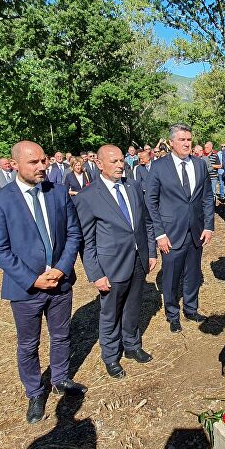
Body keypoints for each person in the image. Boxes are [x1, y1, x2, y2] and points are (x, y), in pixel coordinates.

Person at [0, 140, 86, 424]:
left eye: (44, 160)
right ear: (14, 164)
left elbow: (73, 234)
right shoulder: (0, 200)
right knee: (29, 344)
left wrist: (62, 269)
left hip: (60, 283)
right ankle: (34, 392)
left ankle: (60, 378)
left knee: (61, 335)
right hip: (25, 288)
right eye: (34, 162)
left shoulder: (58, 193)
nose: (42, 166)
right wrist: (33, 279)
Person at [75, 145, 157, 379]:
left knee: (133, 307)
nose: (120, 165)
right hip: (111, 266)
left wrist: (151, 252)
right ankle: (111, 356)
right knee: (111, 313)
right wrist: (96, 274)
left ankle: (132, 345)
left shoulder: (133, 186)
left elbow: (146, 222)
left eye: (122, 160)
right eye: (114, 161)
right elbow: (86, 241)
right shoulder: (88, 197)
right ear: (99, 164)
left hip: (138, 260)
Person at [143, 123, 215, 333]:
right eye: (182, 139)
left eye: (189, 139)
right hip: (170, 233)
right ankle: (172, 314)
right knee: (171, 276)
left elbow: (207, 197)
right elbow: (151, 202)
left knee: (193, 273)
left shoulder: (200, 165)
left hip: (196, 231)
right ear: (171, 142)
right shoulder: (159, 166)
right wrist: (160, 234)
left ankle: (191, 309)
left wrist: (209, 225)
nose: (186, 143)